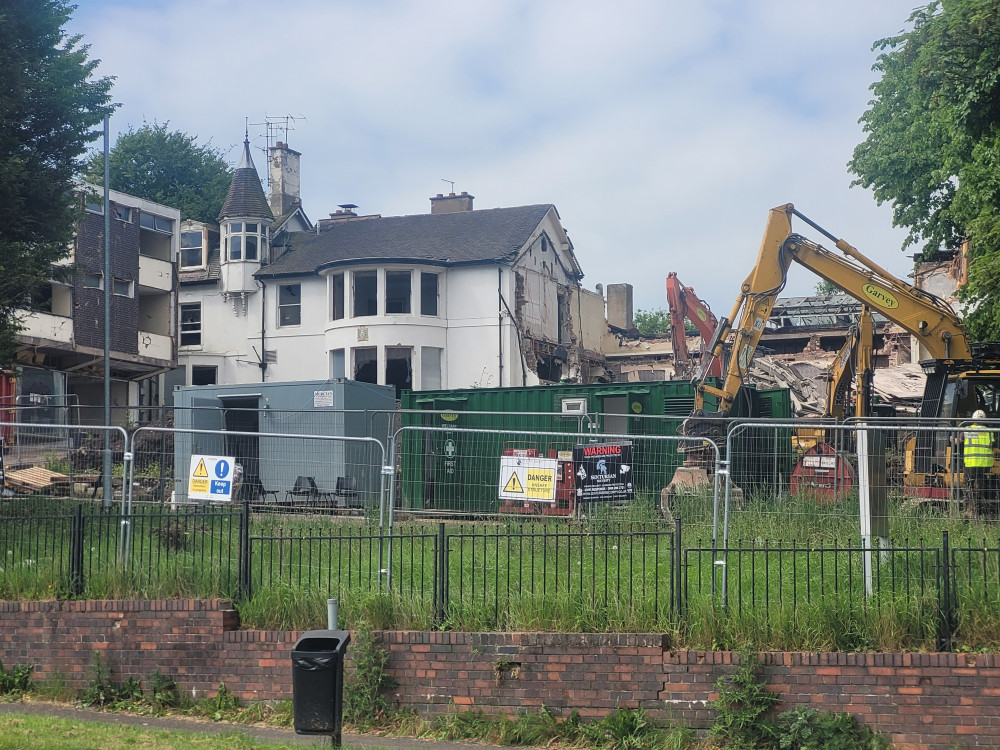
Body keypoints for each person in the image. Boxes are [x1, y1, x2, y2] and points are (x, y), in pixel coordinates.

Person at [963, 409, 995, 514]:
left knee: (968, 487)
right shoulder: (989, 432)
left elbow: (956, 441)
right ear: (985, 420)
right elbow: (993, 444)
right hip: (984, 465)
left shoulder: (967, 430)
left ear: (973, 420)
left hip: (970, 464)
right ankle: (978, 509)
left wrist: (951, 438)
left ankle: (969, 510)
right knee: (979, 487)